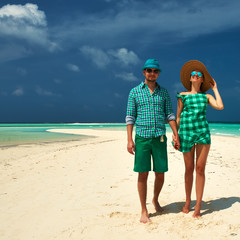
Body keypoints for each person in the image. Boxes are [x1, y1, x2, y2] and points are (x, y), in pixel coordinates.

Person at [126, 59, 180, 223]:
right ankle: (144, 210)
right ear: (144, 72)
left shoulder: (163, 93)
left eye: (155, 71)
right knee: (143, 174)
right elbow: (130, 117)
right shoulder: (134, 92)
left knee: (160, 173)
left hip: (160, 138)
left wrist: (176, 134)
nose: (152, 73)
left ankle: (155, 199)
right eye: (149, 70)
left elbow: (170, 115)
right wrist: (129, 140)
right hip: (142, 137)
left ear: (158, 73)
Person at [173, 60, 224, 218]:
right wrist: (176, 135)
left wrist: (215, 89)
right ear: (189, 79)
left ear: (202, 80)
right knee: (188, 169)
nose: (195, 76)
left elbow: (220, 106)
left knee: (200, 169)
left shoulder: (206, 96)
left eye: (198, 75)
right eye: (193, 74)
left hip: (202, 133)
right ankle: (188, 201)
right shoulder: (182, 95)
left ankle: (199, 205)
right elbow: (179, 116)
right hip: (186, 133)